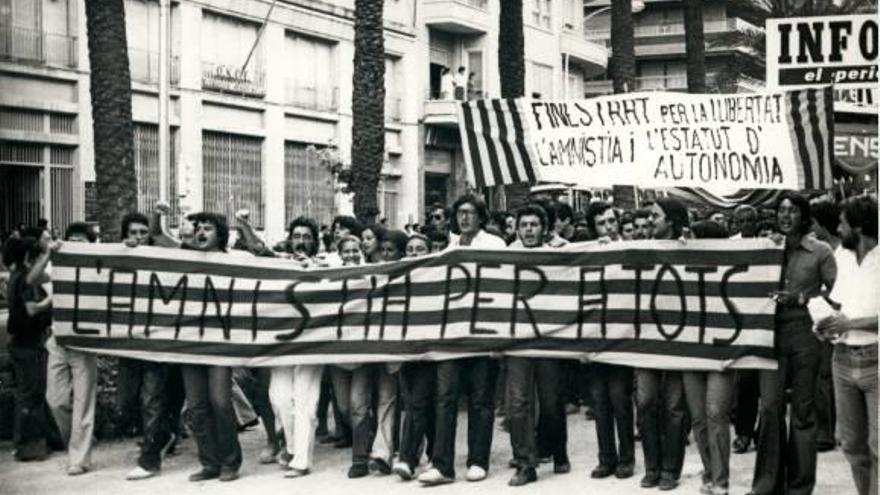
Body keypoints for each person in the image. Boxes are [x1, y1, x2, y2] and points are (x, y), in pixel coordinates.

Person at [748, 193, 836, 495]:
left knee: (802, 411)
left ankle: (799, 488)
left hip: (804, 333)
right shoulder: (768, 246)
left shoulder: (820, 251)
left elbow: (837, 294)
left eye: (792, 211)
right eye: (781, 210)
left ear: (803, 215)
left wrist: (802, 298)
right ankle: (766, 485)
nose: (785, 216)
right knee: (770, 408)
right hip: (769, 334)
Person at [418, 194, 504, 486]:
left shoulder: (495, 245)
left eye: (469, 213)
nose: (463, 218)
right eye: (459, 213)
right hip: (451, 336)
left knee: (481, 399)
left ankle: (478, 460)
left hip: (483, 334)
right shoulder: (450, 248)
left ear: (481, 217)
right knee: (445, 397)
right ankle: (442, 465)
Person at [815, 195, 878, 495]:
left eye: (842, 224)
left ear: (860, 227)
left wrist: (849, 324)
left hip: (876, 360)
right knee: (852, 444)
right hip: (842, 358)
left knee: (879, 446)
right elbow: (840, 304)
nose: (838, 229)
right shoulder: (842, 256)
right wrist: (826, 324)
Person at [504, 203, 569, 487]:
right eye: (524, 225)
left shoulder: (559, 256)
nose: (529, 230)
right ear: (517, 230)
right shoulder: (504, 258)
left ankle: (558, 449)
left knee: (552, 402)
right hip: (517, 340)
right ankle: (525, 463)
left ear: (544, 229)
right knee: (518, 403)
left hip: (549, 339)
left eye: (534, 224)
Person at [122, 212, 182, 480]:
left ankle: (149, 460)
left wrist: (158, 216)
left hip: (156, 342)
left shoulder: (164, 258)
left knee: (151, 398)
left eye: (142, 233)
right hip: (127, 342)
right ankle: (166, 432)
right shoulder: (117, 259)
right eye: (132, 232)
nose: (137, 238)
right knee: (128, 399)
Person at [637, 197, 690, 490]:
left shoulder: (689, 250)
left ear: (671, 220)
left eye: (655, 215)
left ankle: (670, 469)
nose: (649, 220)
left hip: (679, 339)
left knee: (674, 407)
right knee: (645, 403)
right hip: (647, 339)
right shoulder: (640, 250)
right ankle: (652, 466)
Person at [682, 220, 735, 495]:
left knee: (716, 413)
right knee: (699, 418)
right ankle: (709, 471)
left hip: (721, 351)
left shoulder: (730, 269)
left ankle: (721, 480)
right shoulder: (683, 266)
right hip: (691, 350)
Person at [586, 204, 634, 482]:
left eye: (612, 221)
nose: (609, 226)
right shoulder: (587, 253)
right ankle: (606, 458)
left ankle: (626, 458)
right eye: (602, 222)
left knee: (620, 398)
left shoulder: (631, 250)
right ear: (595, 227)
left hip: (621, 336)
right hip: (595, 335)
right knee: (600, 401)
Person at [46, 222, 99, 476]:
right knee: (55, 400)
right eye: (72, 239)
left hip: (84, 342)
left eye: (82, 240)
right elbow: (34, 279)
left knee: (83, 402)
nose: (77, 243)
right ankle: (79, 441)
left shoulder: (98, 267)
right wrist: (49, 252)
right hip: (58, 339)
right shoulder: (57, 264)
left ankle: (79, 458)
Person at [6, 231, 60, 462]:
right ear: (30, 257)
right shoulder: (24, 279)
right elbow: (31, 310)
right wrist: (50, 300)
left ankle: (29, 443)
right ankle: (29, 446)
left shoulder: (16, 276)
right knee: (31, 395)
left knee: (26, 394)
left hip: (20, 344)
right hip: (28, 344)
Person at [393, 233, 436, 481]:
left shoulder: (440, 277)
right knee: (417, 402)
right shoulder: (397, 278)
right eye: (410, 249)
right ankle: (418, 456)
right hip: (409, 349)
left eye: (420, 249)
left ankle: (411, 457)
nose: (414, 253)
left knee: (424, 403)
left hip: (435, 349)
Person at [810, 198, 842, 453]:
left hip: (840, 320)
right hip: (824, 321)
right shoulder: (822, 250)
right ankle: (828, 430)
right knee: (825, 376)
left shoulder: (840, 253)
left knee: (827, 376)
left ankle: (829, 430)